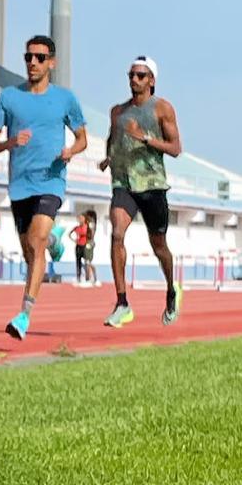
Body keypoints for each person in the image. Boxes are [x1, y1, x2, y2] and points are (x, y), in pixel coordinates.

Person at [0, 33, 88, 340]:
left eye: (40, 58)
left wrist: (71, 150)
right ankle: (55, 244)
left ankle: (24, 315)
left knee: (36, 239)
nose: (32, 62)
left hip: (51, 181)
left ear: (51, 63)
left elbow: (82, 138)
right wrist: (9, 142)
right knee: (32, 253)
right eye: (28, 57)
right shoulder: (8, 97)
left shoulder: (65, 98)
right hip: (19, 186)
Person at [100, 54, 183, 328]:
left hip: (152, 185)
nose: (134, 80)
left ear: (152, 80)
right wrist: (109, 157)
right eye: (131, 75)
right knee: (116, 234)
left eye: (140, 76)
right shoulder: (117, 112)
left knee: (159, 245)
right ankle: (122, 302)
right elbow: (113, 139)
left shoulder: (162, 109)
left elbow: (175, 149)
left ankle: (172, 289)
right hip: (123, 183)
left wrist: (146, 138)